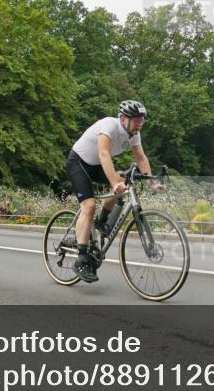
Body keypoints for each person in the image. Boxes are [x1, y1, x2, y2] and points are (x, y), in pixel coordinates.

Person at [65, 100, 163, 283]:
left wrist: (152, 183)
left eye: (142, 120)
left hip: (97, 165)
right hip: (78, 162)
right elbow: (103, 154)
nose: (140, 123)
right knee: (89, 206)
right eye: (137, 120)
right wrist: (114, 183)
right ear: (124, 119)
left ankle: (101, 220)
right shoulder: (109, 125)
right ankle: (81, 259)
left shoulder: (134, 134)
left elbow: (141, 158)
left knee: (124, 182)